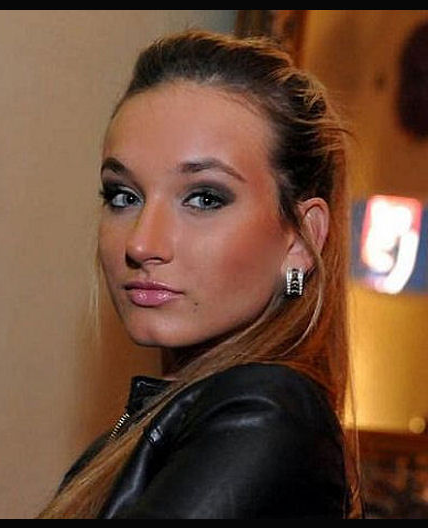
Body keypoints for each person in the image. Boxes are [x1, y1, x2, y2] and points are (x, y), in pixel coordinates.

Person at [37, 29, 363, 519]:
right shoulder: (161, 426)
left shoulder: (266, 413)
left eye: (205, 198)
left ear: (300, 239)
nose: (141, 244)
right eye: (123, 196)